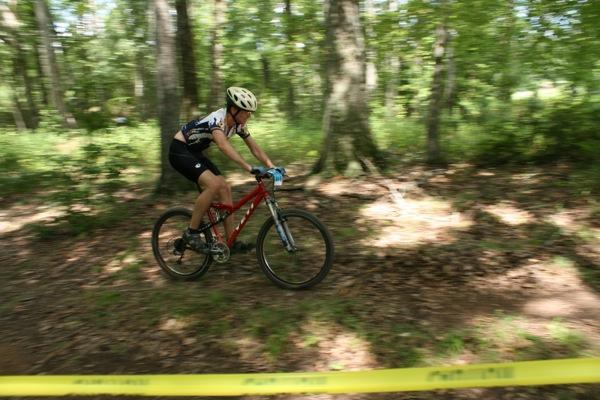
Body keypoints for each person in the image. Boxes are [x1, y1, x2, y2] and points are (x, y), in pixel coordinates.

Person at [169, 87, 280, 254]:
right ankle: (191, 232)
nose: (249, 115)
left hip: (195, 153)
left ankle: (230, 241)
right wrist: (249, 168)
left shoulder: (238, 125)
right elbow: (223, 145)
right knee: (213, 185)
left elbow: (254, 148)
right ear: (234, 110)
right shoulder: (217, 119)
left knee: (225, 188)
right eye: (246, 112)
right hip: (180, 150)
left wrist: (272, 166)